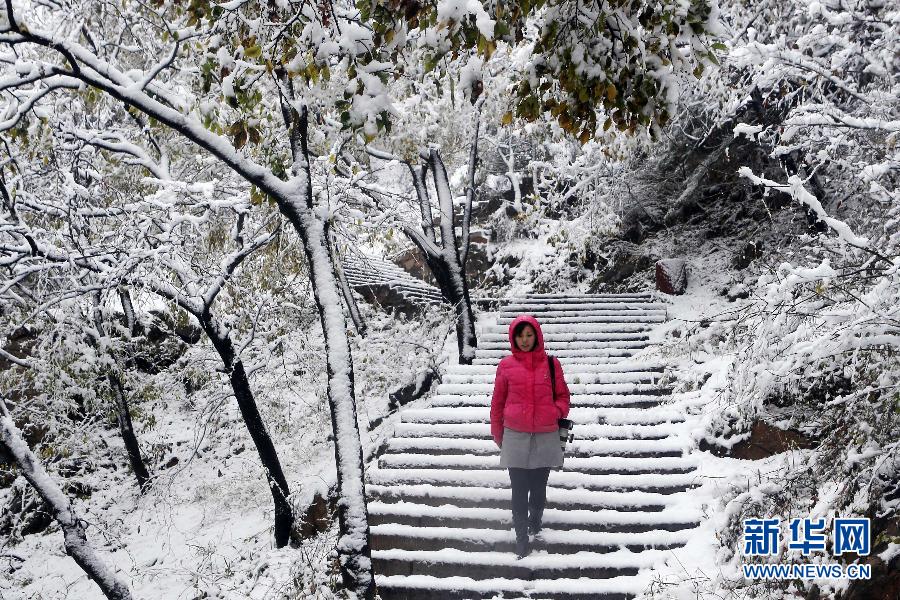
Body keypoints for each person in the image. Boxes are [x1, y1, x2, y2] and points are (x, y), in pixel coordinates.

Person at [490, 314, 571, 558]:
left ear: (536, 336)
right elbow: (497, 402)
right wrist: (498, 432)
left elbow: (563, 397)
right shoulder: (505, 365)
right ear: (513, 338)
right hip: (515, 434)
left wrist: (554, 411)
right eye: (520, 335)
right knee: (518, 488)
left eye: (529, 335)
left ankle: (535, 519)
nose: (525, 340)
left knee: (538, 487)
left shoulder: (551, 364)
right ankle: (521, 537)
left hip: (546, 433)